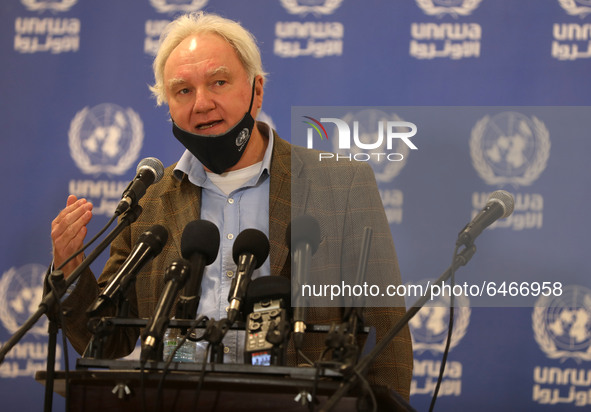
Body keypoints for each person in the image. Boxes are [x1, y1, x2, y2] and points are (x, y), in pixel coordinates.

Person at [51, 12, 413, 408]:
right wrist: (70, 271)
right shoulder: (150, 200)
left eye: (218, 82)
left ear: (256, 91)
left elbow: (387, 339)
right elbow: (108, 340)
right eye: (183, 91)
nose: (202, 103)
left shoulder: (341, 185)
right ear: (168, 106)